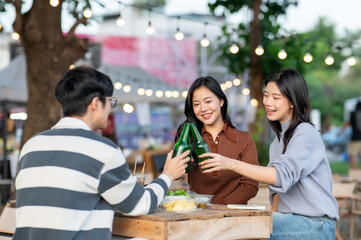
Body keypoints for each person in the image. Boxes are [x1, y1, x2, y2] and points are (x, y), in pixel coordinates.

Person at [13, 67, 190, 240]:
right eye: (111, 102)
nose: (111, 108)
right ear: (96, 103)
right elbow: (139, 204)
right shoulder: (102, 150)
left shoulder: (32, 145)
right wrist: (168, 174)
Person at [198, 68, 339, 239]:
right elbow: (278, 194)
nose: (268, 102)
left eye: (276, 97)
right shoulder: (276, 143)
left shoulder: (306, 133)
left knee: (242, 227)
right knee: (245, 225)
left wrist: (229, 163)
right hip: (291, 221)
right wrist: (271, 218)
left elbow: (279, 175)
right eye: (266, 95)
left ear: (293, 102)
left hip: (317, 225)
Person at [175, 76, 259, 205]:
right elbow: (175, 175)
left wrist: (217, 207)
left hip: (234, 217)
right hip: (198, 215)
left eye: (208, 101)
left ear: (221, 101)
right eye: (196, 104)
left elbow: (250, 186)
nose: (203, 108)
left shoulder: (244, 139)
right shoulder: (188, 138)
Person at [339, 101, 361, 169]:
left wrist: (340, 131)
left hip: (356, 138)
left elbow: (348, 123)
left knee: (351, 155)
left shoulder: (355, 114)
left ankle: (355, 171)